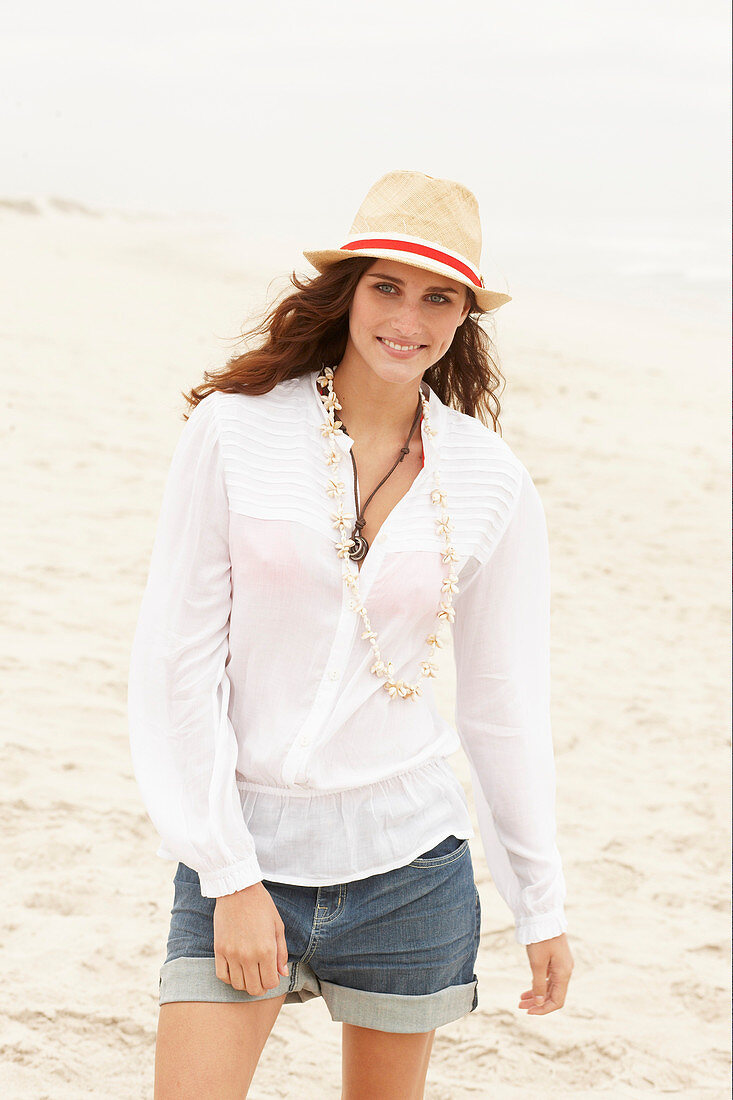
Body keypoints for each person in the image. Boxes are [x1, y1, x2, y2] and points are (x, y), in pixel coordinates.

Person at [127, 168, 574, 1099]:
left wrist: (540, 903)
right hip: (245, 853)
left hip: (409, 870)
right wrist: (227, 872)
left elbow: (502, 706)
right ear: (348, 292)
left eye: (437, 296)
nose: (406, 317)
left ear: (462, 319)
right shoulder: (235, 431)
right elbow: (177, 664)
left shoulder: (491, 482)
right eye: (386, 285)